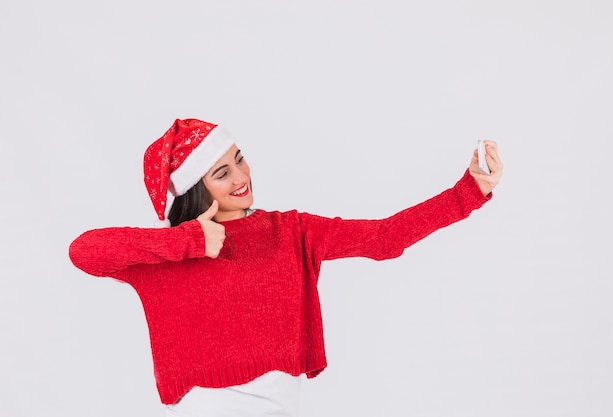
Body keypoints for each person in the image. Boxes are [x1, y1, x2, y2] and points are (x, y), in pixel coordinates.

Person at [69, 118, 503, 416]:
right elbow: (83, 251)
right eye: (221, 173)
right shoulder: (166, 256)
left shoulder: (290, 232)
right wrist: (186, 241)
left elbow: (384, 238)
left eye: (240, 158)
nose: (241, 176)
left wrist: (468, 192)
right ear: (193, 192)